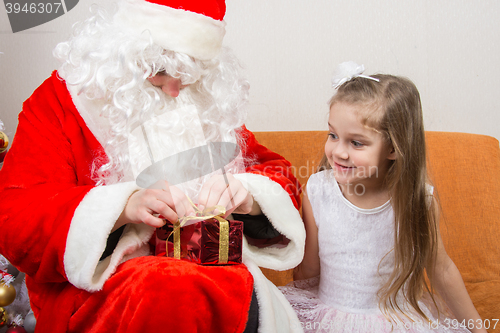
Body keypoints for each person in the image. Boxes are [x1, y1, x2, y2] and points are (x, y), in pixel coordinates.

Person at [0, 0, 306, 332]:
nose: (175, 91)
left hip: (217, 274)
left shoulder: (203, 101)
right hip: (102, 291)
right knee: (170, 290)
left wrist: (250, 195)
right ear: (121, 52)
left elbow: (278, 172)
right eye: (159, 71)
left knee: (225, 294)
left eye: (190, 74)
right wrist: (122, 207)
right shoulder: (62, 102)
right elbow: (16, 218)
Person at [279, 62, 486, 333]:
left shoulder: (417, 200)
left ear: (393, 148)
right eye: (333, 135)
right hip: (331, 315)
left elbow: (441, 269)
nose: (339, 152)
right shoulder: (318, 189)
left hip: (396, 322)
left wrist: (478, 329)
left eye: (356, 142)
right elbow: (309, 269)